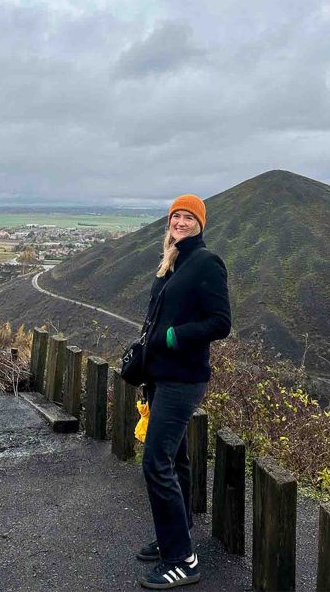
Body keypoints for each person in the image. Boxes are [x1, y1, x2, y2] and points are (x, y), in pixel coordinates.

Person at [136, 194, 231, 589]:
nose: (180, 221)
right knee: (175, 460)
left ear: (200, 223)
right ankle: (177, 532)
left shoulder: (206, 262)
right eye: (176, 215)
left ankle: (183, 559)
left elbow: (220, 322)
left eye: (188, 216)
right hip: (161, 376)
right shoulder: (172, 262)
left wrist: (175, 337)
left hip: (184, 379)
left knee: (155, 463)